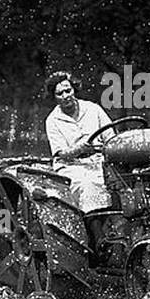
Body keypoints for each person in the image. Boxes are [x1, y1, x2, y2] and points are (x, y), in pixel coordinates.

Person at [43, 71, 114, 215]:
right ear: (54, 97)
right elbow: (61, 153)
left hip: (98, 161)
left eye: (68, 90)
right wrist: (79, 149)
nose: (65, 96)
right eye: (60, 94)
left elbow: (111, 137)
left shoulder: (93, 109)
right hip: (71, 166)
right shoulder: (52, 120)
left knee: (122, 183)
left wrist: (106, 149)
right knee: (88, 185)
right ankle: (97, 233)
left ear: (74, 89)